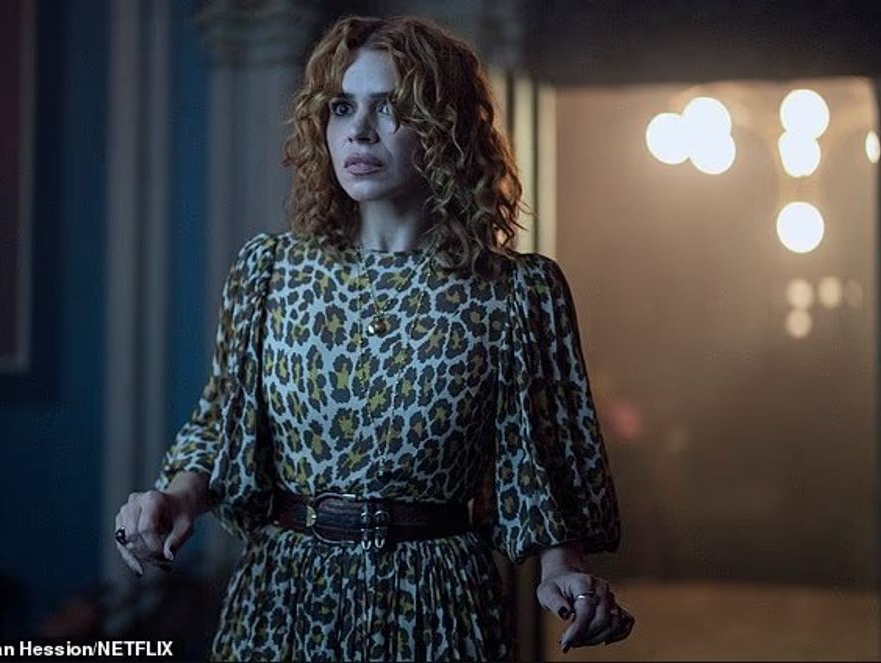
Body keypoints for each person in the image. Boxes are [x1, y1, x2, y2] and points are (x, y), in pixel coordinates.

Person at [113, 14, 634, 661]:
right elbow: (222, 423)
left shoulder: (516, 291)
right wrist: (174, 496)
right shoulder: (271, 270)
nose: (359, 130)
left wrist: (564, 572)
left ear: (445, 127)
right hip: (287, 598)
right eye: (341, 107)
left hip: (438, 602)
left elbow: (539, 463)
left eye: (390, 107)